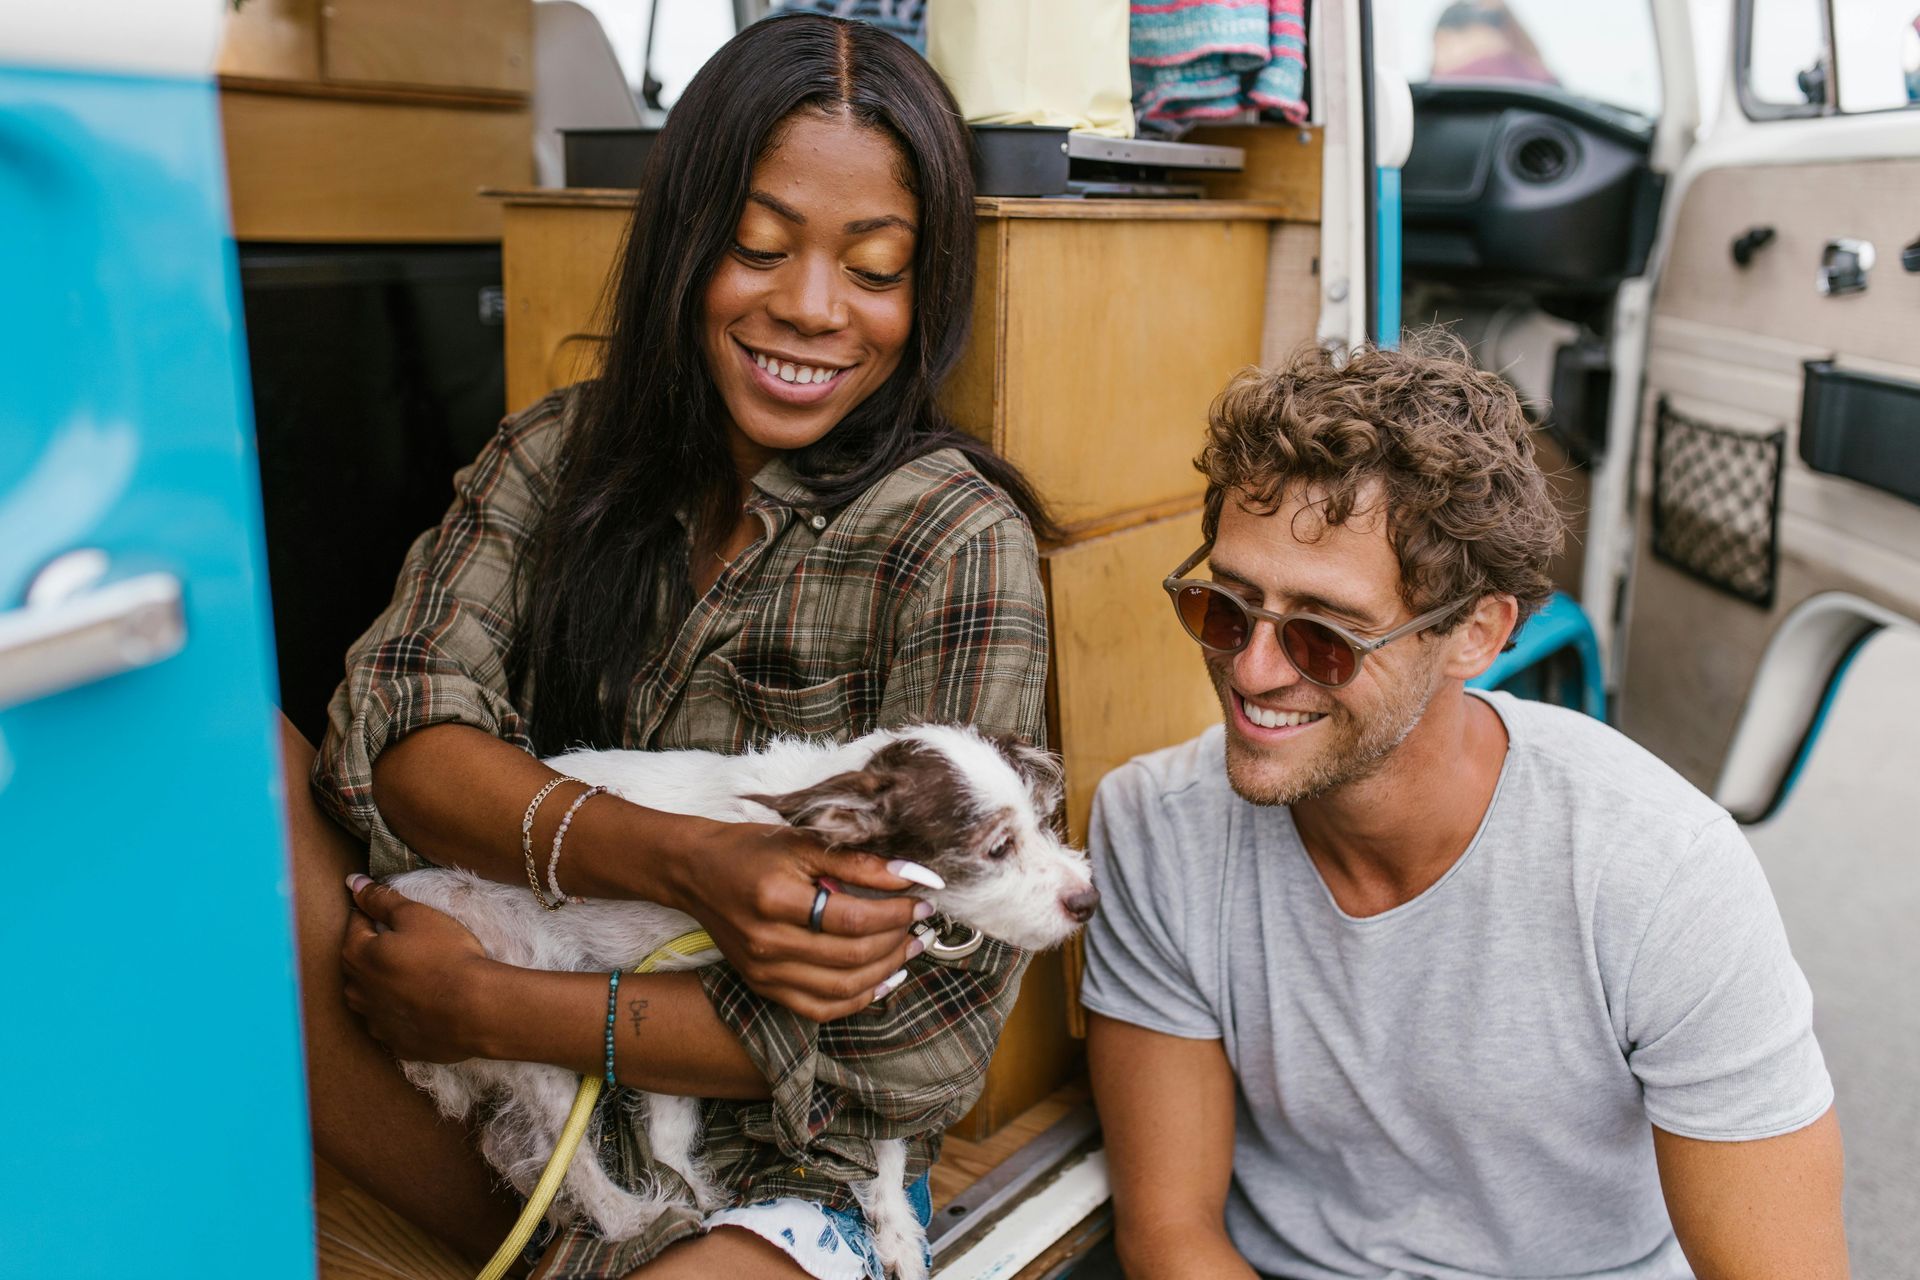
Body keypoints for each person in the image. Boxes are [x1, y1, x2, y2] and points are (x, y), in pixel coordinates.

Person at [284, 14, 1056, 1280]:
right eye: (757, 249)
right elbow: (385, 738)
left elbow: (919, 1047)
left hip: (762, 1163)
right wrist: (690, 861)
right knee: (223, 773)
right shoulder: (552, 454)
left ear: (929, 296)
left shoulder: (957, 541)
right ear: (681, 241)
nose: (810, 308)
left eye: (874, 268)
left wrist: (497, 1003)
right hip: (471, 1078)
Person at [1081, 340, 1849, 1279]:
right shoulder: (1157, 828)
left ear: (1474, 633)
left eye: (1325, 636)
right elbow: (1171, 1236)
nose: (1252, 670)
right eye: (1226, 609)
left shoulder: (1658, 871)